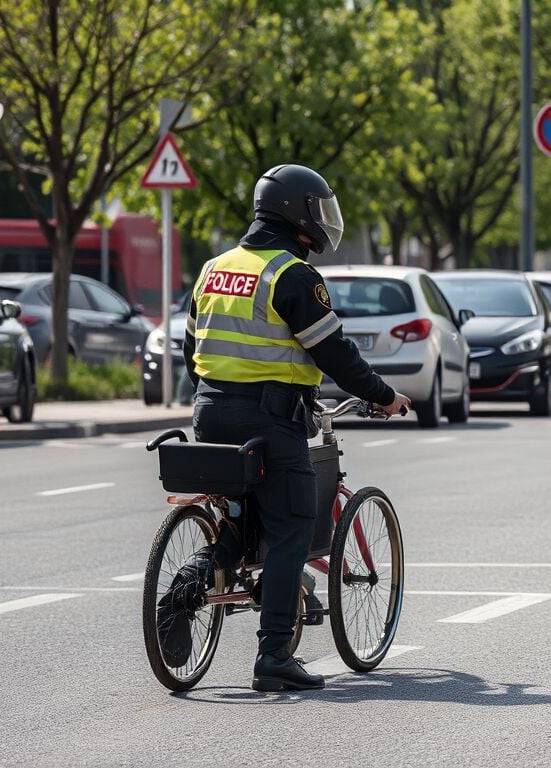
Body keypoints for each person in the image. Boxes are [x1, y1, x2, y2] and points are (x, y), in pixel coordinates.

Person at [176, 164, 411, 693]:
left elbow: (191, 349)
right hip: (270, 417)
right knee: (292, 529)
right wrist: (384, 396)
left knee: (239, 514)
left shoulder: (214, 268)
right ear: (299, 214)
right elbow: (336, 355)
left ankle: (185, 591)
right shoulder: (293, 276)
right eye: (320, 209)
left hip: (210, 411)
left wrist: (222, 389)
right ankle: (274, 655)